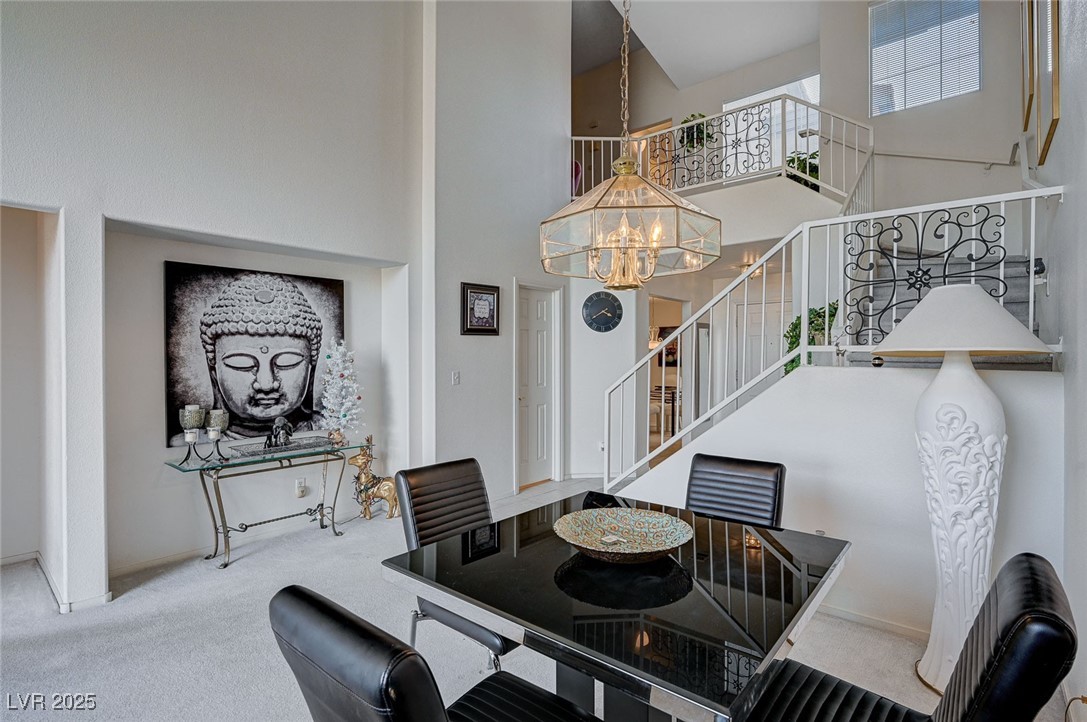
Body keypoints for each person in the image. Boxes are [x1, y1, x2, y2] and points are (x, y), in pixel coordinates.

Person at [198, 272, 323, 439]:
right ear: (214, 371)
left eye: (287, 362)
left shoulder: (329, 431)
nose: (266, 384)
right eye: (242, 363)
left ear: (310, 367)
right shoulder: (190, 444)